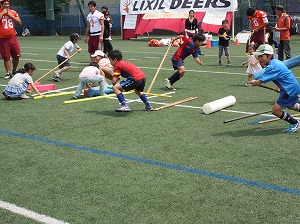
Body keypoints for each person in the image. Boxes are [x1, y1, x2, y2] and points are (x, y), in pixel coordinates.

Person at [250, 44, 300, 133]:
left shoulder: (271, 67)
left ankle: (295, 123)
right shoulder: (276, 62)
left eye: (261, 56)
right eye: (258, 56)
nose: (259, 59)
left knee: (275, 111)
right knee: (291, 105)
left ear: (269, 56)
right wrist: (279, 86)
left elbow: (259, 82)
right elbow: (282, 75)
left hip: (288, 91)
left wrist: (253, 82)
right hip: (293, 87)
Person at [0, 0, 22, 79]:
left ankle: (14, 70)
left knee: (17, 54)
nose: (6, 6)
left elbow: (19, 23)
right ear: (1, 4)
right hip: (3, 39)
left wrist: (11, 16)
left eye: (8, 4)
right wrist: (2, 13)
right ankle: (8, 72)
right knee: (6, 57)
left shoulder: (13, 12)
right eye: (5, 4)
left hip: (12, 37)